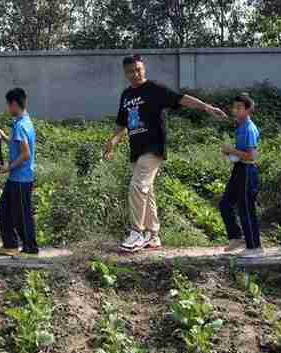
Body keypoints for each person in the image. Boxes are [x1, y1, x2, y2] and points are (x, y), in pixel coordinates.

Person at [104, 54, 227, 253]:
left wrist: (206, 107)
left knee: (137, 186)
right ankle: (153, 236)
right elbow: (122, 123)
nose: (135, 74)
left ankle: (137, 232)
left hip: (153, 148)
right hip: (136, 149)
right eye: (130, 71)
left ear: (143, 69)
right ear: (125, 73)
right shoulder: (126, 95)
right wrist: (112, 141)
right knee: (147, 191)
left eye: (138, 70)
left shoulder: (155, 89)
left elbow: (181, 99)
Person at [0, 88, 39, 256]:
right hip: (17, 178)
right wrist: (5, 137)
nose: (7, 108)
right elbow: (18, 145)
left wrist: (7, 167)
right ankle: (10, 245)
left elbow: (25, 154)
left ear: (13, 104)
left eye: (7, 105)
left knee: (21, 214)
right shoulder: (24, 121)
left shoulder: (20, 125)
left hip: (21, 178)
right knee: (4, 209)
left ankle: (30, 248)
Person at [220, 94, 263, 258]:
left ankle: (255, 246)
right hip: (239, 169)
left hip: (247, 171)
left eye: (239, 108)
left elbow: (251, 156)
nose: (235, 110)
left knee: (246, 209)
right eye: (234, 107)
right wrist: (231, 153)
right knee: (225, 204)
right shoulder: (240, 126)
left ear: (248, 109)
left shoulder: (249, 128)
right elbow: (242, 153)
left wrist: (231, 150)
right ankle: (236, 237)